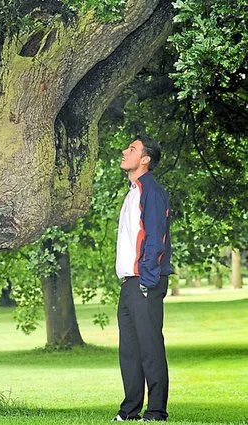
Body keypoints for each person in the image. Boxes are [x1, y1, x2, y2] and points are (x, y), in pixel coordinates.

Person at [113, 135, 174, 422]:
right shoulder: (132, 192)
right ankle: (129, 411)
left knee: (150, 347)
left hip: (144, 281)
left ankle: (156, 411)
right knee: (129, 351)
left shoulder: (152, 192)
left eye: (132, 149)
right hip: (129, 283)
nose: (125, 152)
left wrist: (148, 281)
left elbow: (155, 239)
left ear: (145, 159)